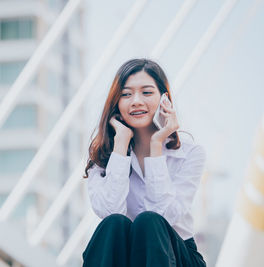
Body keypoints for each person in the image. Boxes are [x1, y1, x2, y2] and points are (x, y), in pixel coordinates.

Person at [82, 58, 207, 267]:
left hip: (177, 257)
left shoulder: (189, 153)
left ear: (164, 99)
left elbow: (164, 216)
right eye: (126, 94)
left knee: (149, 222)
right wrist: (120, 145)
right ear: (116, 104)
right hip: (126, 257)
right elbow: (109, 212)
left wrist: (156, 145)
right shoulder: (102, 156)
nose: (136, 101)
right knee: (113, 224)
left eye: (147, 92)